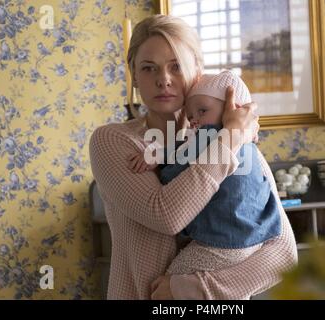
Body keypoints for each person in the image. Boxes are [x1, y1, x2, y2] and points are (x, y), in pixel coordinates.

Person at [89, 14, 297, 300]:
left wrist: (192, 289)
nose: (163, 80)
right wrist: (232, 137)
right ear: (134, 76)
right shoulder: (114, 142)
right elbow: (167, 215)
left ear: (198, 70)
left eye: (176, 66)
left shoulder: (234, 138)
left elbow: (283, 256)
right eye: (149, 68)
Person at [128, 71, 282, 281]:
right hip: (258, 235)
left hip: (224, 241)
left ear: (233, 109)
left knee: (172, 281)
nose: (195, 121)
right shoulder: (249, 145)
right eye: (191, 116)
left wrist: (156, 158)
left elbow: (175, 172)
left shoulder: (212, 135)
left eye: (202, 110)